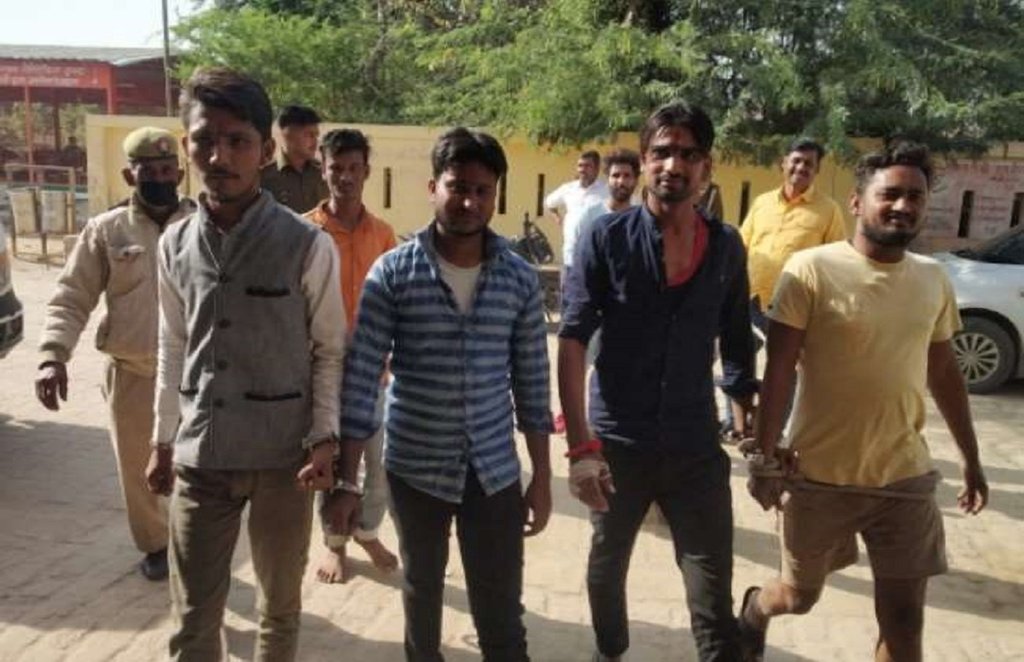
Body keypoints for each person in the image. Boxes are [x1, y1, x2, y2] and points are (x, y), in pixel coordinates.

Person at [737, 142, 989, 662]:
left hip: (904, 479)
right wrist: (764, 458)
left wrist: (972, 459)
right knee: (798, 597)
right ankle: (757, 608)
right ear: (856, 202)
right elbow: (779, 368)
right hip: (817, 477)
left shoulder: (932, 279)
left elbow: (944, 372)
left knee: (903, 621)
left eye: (915, 196)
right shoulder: (810, 270)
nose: (903, 206)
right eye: (890, 195)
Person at [314, 127, 553, 661]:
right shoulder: (393, 273)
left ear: (496, 196)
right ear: (432, 187)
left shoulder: (517, 279)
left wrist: (540, 477)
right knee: (422, 593)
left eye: (482, 190)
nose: (468, 201)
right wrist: (347, 483)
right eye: (457, 186)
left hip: (492, 470)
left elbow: (534, 387)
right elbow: (359, 384)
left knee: (501, 609)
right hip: (414, 467)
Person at [146, 67, 344, 661]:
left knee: (278, 614)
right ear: (187, 147)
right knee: (191, 619)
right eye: (205, 139)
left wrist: (324, 438)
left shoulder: (308, 244)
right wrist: (161, 441)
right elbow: (173, 345)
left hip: (285, 459)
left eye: (237, 141)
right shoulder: (174, 244)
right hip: (201, 455)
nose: (219, 155)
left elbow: (329, 349)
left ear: (263, 150)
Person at [558, 101, 758, 662]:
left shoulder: (725, 247)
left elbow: (738, 344)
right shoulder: (606, 238)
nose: (674, 164)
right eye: (662, 152)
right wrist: (580, 448)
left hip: (695, 445)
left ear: (707, 167)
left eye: (688, 154)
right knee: (606, 567)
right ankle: (610, 652)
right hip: (617, 441)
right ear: (644, 162)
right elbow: (573, 338)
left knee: (711, 589)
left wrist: (757, 441)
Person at [35, 126, 194, 581]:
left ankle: (194, 543)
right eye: (149, 171)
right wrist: (52, 355)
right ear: (130, 174)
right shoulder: (105, 230)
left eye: (167, 170)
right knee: (138, 472)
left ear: (180, 172)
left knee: (197, 471)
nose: (160, 178)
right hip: (133, 373)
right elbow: (71, 296)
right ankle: (155, 545)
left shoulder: (203, 224)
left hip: (195, 377)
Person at [303, 128, 399, 583]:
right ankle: (335, 544)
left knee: (379, 462)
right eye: (335, 168)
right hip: (321, 370)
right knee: (333, 461)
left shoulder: (383, 235)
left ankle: (367, 529)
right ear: (323, 170)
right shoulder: (304, 232)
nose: (344, 177)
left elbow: (397, 303)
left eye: (353, 168)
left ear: (367, 172)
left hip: (373, 371)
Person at [722, 138, 847, 438]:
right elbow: (743, 243)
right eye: (797, 161)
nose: (801, 167)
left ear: (817, 170)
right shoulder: (763, 202)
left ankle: (771, 426)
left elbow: (835, 261)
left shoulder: (828, 211)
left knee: (783, 368)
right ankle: (737, 423)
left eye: (809, 164)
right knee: (737, 359)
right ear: (784, 163)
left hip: (793, 305)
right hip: (750, 296)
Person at [545, 150, 610, 273]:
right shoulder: (568, 189)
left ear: (596, 169)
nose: (582, 170)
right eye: (580, 165)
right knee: (569, 291)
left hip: (597, 259)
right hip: (570, 258)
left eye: (587, 166)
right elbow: (548, 203)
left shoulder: (607, 191)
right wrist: (557, 218)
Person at [260, 104, 328, 213]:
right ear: (287, 134)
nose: (315, 142)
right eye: (309, 135)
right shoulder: (264, 177)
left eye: (316, 135)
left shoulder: (324, 174)